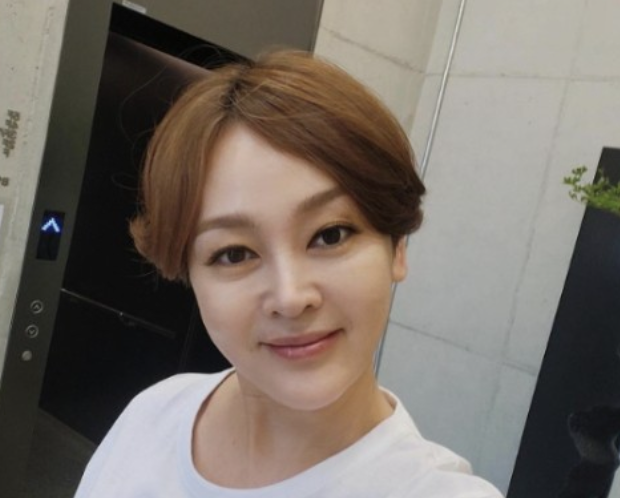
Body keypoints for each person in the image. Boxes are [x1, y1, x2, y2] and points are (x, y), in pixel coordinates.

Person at [74, 50, 503, 497]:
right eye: (234, 254)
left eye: (331, 235)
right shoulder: (154, 416)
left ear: (397, 246)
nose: (291, 297)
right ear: (188, 275)